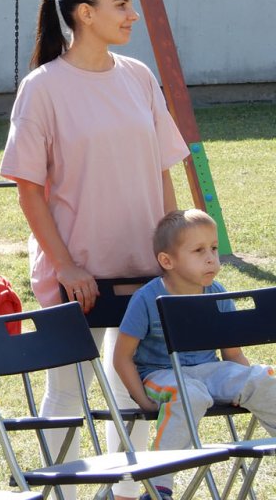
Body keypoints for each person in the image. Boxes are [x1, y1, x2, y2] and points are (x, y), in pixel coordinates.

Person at [0, 0, 189, 500]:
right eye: (120, 5)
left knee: (131, 388)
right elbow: (29, 189)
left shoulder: (138, 76)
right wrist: (66, 265)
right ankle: (51, 493)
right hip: (76, 273)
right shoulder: (42, 88)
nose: (132, 15)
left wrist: (171, 253)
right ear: (85, 14)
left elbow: (161, 170)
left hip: (147, 268)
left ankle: (124, 494)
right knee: (67, 391)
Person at [115, 209, 276, 500]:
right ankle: (158, 486)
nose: (211, 258)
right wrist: (141, 399)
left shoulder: (217, 293)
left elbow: (232, 354)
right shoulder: (147, 299)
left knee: (264, 377)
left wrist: (246, 384)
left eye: (214, 248)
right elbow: (122, 356)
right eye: (199, 250)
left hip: (209, 370)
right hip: (161, 374)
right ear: (167, 261)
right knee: (191, 395)